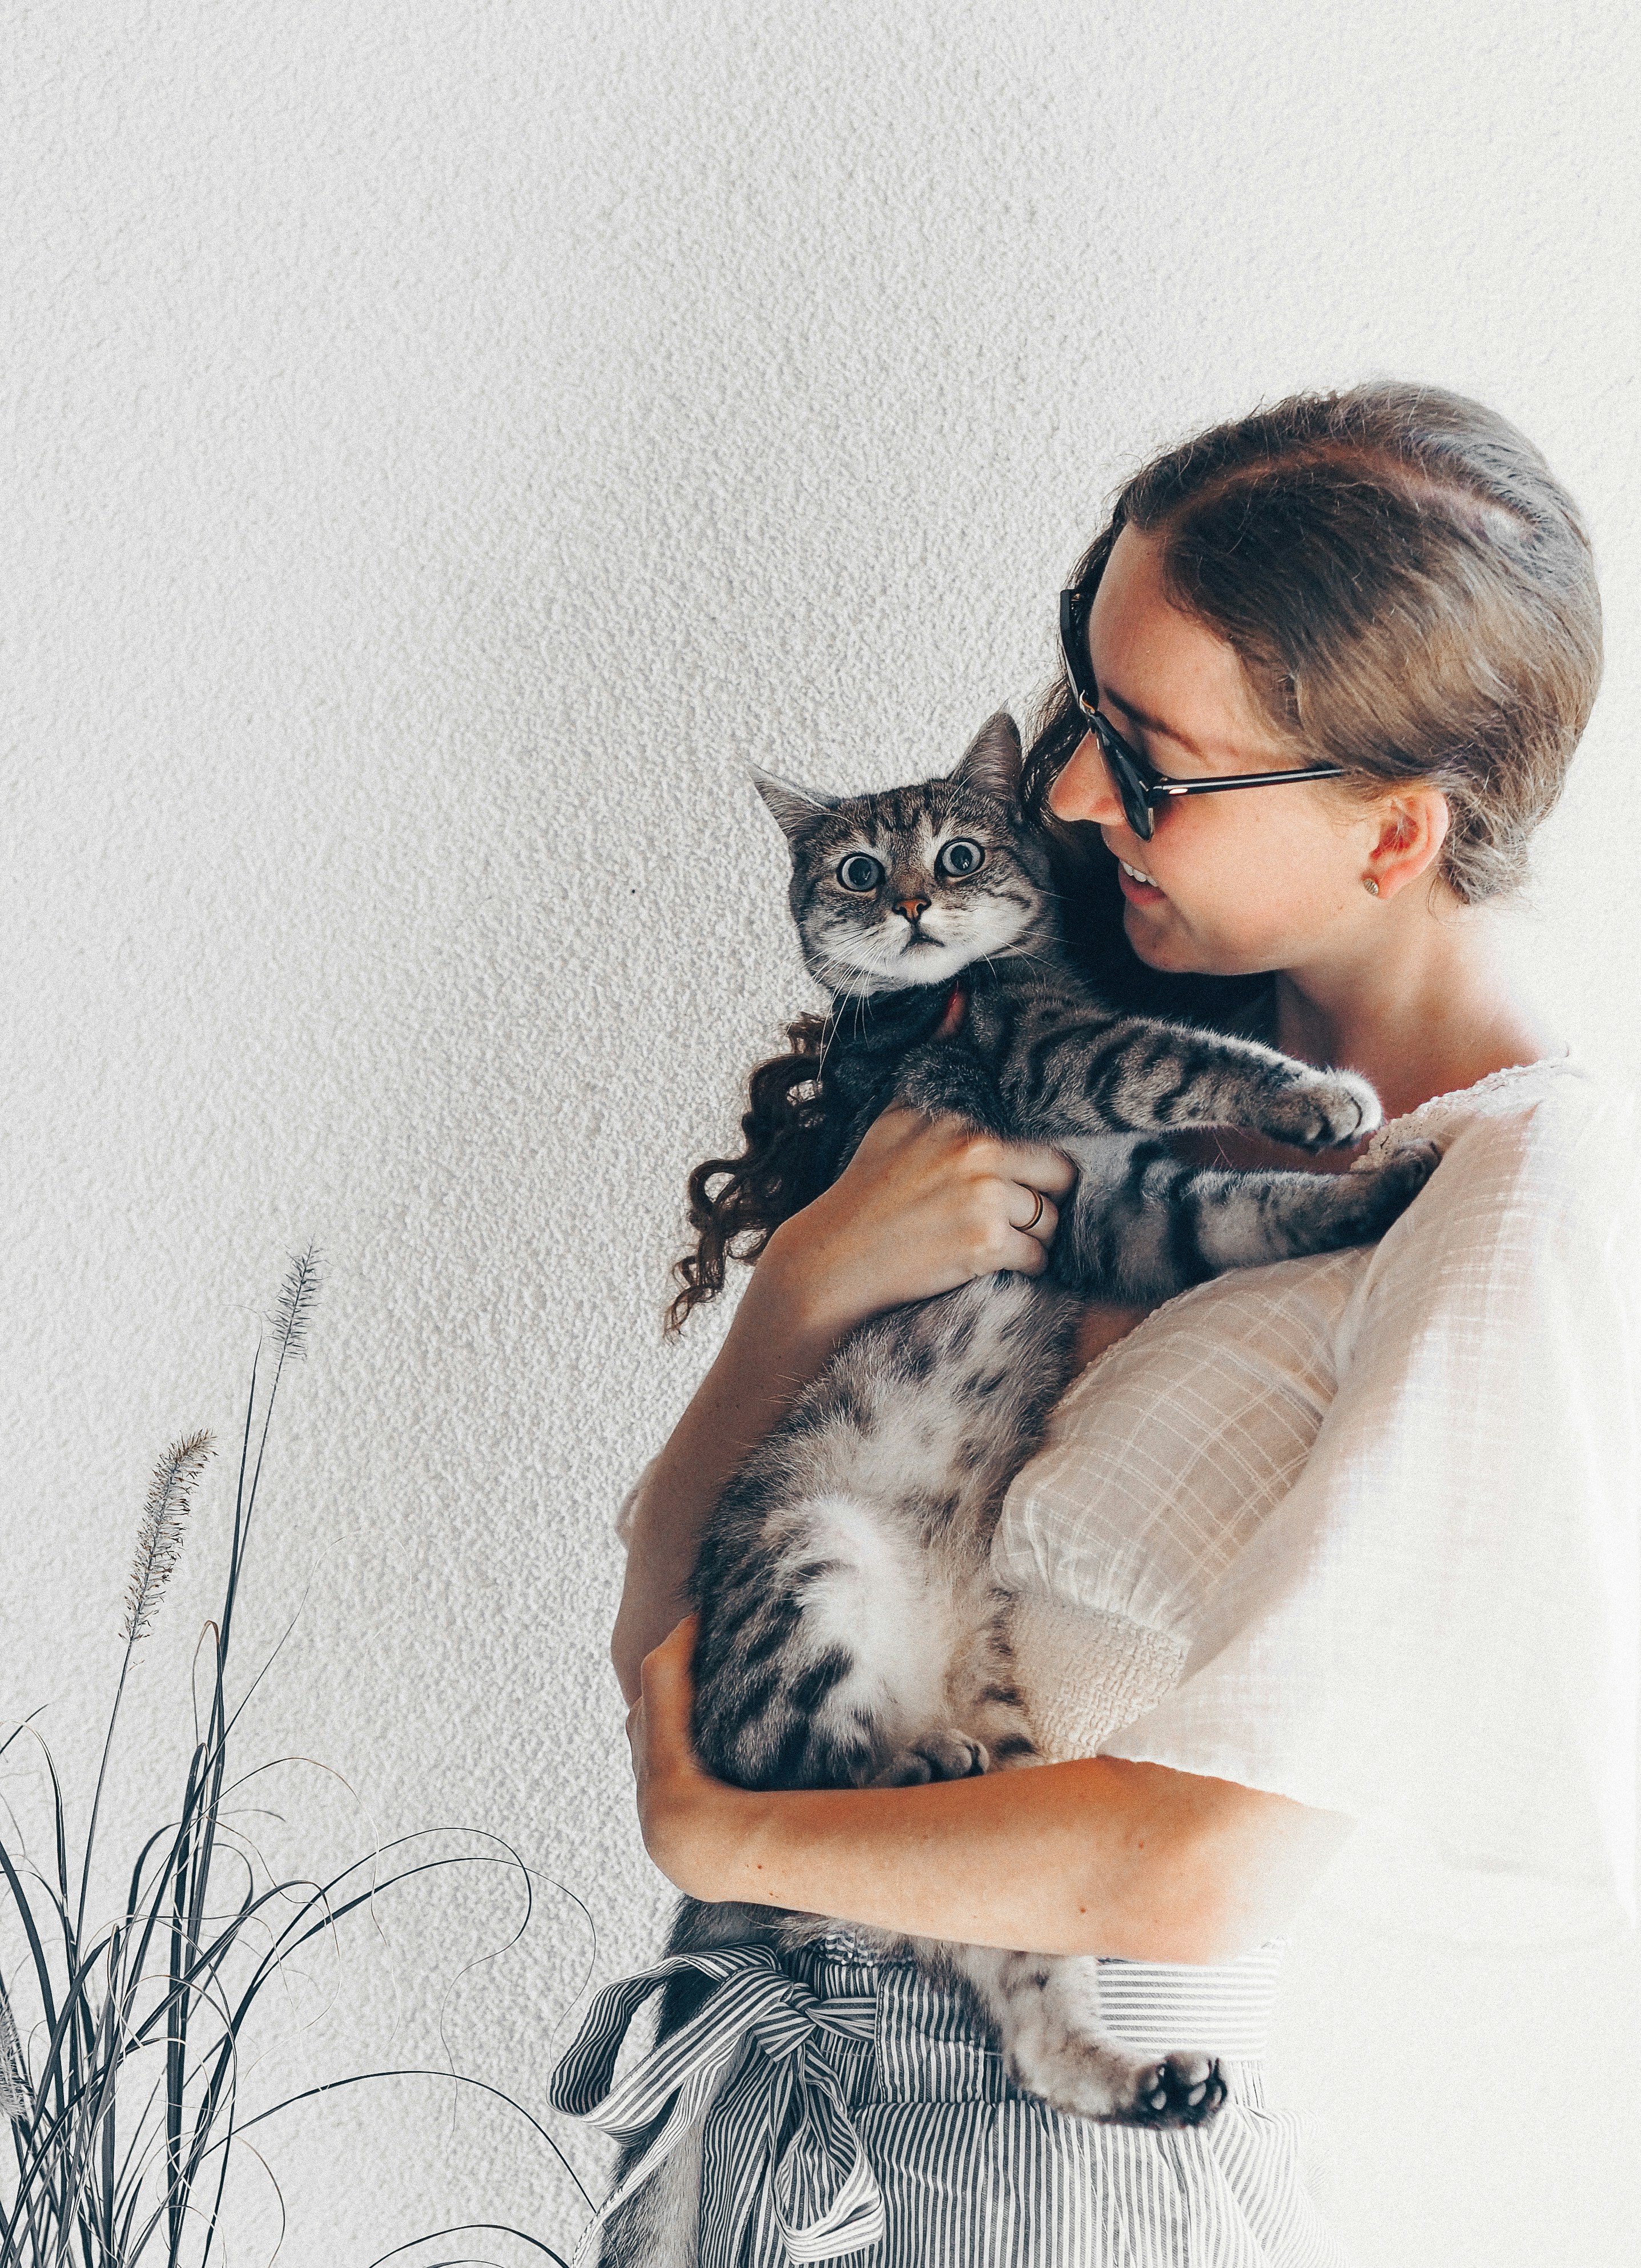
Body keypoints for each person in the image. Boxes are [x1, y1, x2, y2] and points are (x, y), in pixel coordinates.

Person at [585, 384, 1639, 2266]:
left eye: (1148, 762)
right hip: (772, 2130)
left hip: (1057, 2168)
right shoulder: (1068, 1036)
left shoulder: (1515, 1198)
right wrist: (804, 1285)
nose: (1071, 798)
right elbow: (666, 1607)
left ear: (1392, 834)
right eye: (1082, 715)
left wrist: (721, 1847)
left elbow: (1206, 1864)